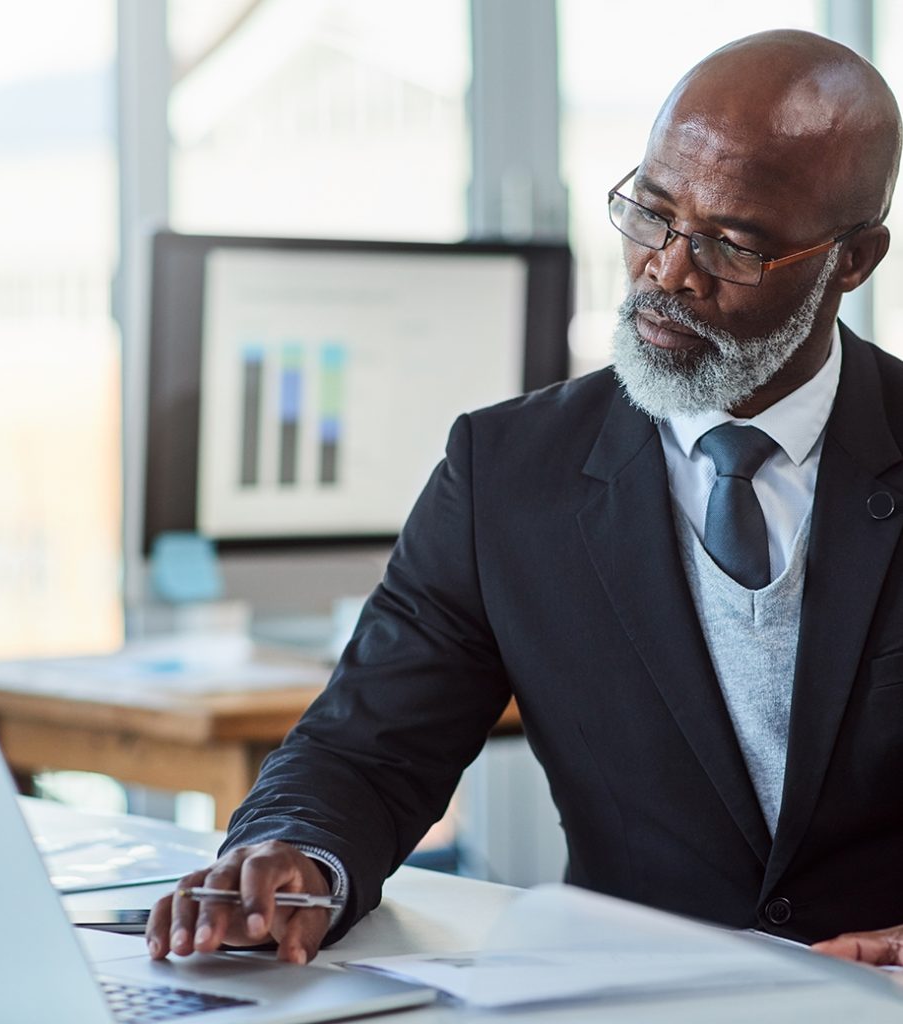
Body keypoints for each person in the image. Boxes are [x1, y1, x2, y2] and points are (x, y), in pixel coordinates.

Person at [147, 28, 903, 968]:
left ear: (852, 260)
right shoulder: (505, 471)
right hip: (629, 993)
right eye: (651, 213)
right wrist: (297, 855)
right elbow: (369, 749)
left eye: (732, 245)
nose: (668, 270)